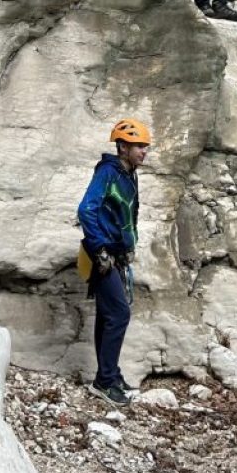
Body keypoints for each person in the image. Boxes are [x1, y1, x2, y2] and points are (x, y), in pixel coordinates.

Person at [77, 117, 150, 406]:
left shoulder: (128, 172)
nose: (144, 151)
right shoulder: (108, 172)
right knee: (119, 315)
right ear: (122, 147)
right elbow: (86, 210)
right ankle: (104, 382)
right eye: (138, 146)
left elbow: (126, 215)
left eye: (145, 147)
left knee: (109, 315)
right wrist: (100, 249)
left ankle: (110, 374)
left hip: (115, 256)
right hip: (102, 257)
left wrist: (128, 248)